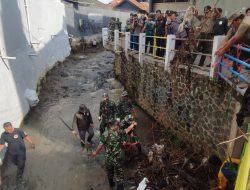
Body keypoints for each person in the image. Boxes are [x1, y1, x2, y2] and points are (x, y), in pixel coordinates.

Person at [91, 120, 137, 190]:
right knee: (119, 177)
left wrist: (95, 153)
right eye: (118, 126)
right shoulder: (118, 132)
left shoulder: (105, 134)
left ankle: (111, 185)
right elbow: (127, 130)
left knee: (110, 173)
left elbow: (100, 145)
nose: (118, 127)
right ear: (115, 126)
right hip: (117, 159)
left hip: (108, 158)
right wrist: (133, 124)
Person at [0, 122, 35, 187]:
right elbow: (1, 145)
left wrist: (32, 143)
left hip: (21, 152)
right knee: (15, 163)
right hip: (12, 153)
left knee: (21, 165)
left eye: (9, 129)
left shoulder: (19, 131)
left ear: (12, 126)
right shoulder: (3, 135)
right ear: (4, 129)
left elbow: (26, 136)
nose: (8, 131)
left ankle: (19, 177)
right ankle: (19, 166)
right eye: (6, 130)